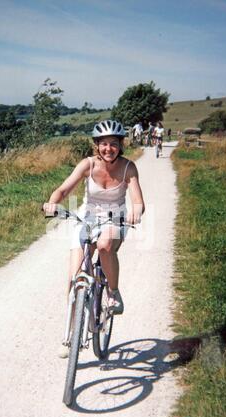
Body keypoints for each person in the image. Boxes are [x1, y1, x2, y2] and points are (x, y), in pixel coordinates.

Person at [43, 119, 145, 357]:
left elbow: (138, 200)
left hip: (115, 219)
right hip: (87, 218)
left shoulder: (129, 168)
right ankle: (69, 336)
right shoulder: (87, 165)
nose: (108, 148)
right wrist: (52, 202)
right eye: (103, 144)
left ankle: (113, 292)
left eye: (113, 144)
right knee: (72, 278)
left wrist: (136, 211)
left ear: (121, 145)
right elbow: (64, 189)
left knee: (105, 244)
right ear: (96, 145)